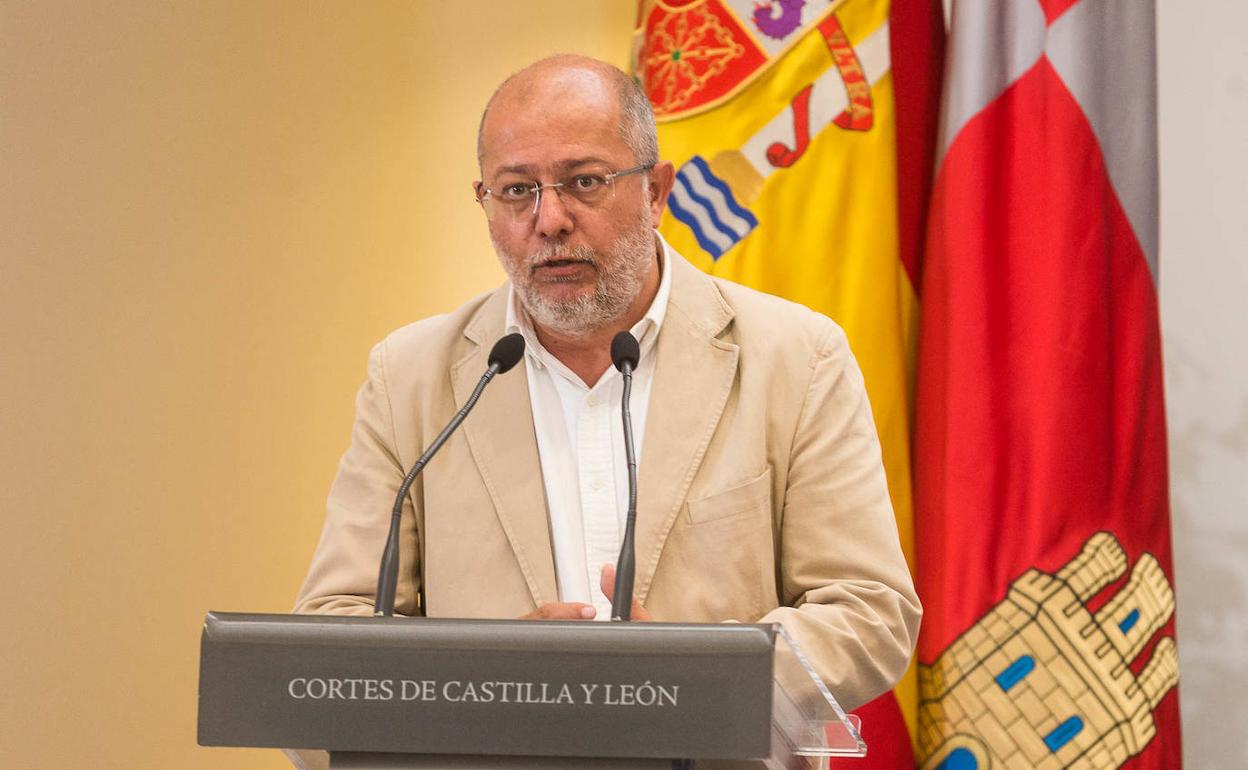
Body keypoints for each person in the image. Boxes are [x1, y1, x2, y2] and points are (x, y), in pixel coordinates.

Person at [294, 55, 920, 716]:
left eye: (584, 182)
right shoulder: (412, 377)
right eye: (515, 190)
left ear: (655, 191)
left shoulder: (794, 358)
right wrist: (484, 678)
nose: (550, 219)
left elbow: (868, 612)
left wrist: (696, 677)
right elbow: (335, 625)